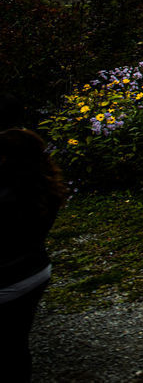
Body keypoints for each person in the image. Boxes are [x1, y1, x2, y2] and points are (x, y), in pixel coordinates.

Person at [0, 128, 66, 383]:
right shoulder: (42, 187)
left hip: (9, 278)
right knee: (16, 344)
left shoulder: (7, 197)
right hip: (35, 271)